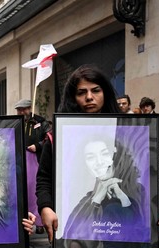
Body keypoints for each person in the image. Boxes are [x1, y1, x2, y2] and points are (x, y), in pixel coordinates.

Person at [36, 65, 122, 242]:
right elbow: (44, 178)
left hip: (120, 228)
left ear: (105, 93)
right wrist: (45, 207)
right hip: (74, 224)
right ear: (73, 98)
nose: (89, 97)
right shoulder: (57, 137)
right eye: (81, 92)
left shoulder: (126, 134)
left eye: (95, 90)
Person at [61, 138, 144, 247]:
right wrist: (96, 200)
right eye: (91, 157)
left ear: (116, 155)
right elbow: (71, 240)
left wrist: (123, 197)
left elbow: (140, 233)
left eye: (105, 154)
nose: (99, 162)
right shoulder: (84, 201)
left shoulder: (138, 191)